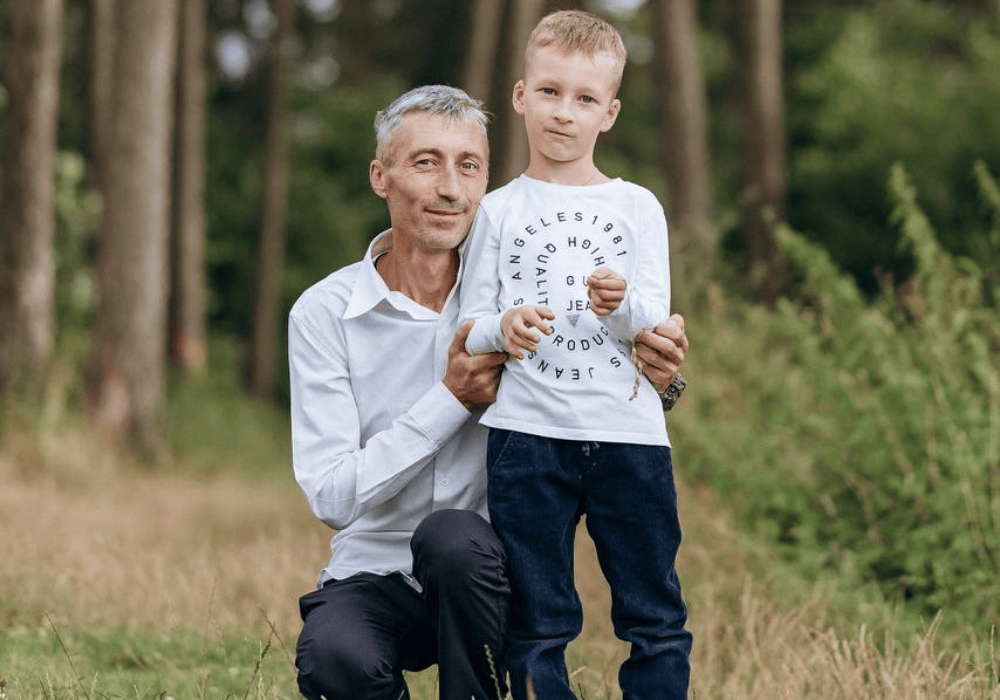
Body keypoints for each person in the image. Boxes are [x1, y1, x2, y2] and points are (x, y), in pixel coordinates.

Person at [289, 84, 689, 700]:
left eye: (468, 166)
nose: (451, 188)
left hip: (486, 576)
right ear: (380, 177)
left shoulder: (520, 291)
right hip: (374, 569)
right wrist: (451, 399)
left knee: (453, 538)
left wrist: (662, 379)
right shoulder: (323, 313)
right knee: (336, 658)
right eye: (426, 162)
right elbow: (333, 496)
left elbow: (595, 378)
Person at [459, 11, 693, 700]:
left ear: (610, 113)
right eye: (551, 92)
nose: (565, 114)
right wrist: (505, 325)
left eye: (585, 99)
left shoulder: (637, 207)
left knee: (654, 614)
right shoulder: (497, 211)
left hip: (630, 440)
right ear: (520, 95)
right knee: (535, 622)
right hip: (527, 442)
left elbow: (660, 323)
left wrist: (620, 303)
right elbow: (469, 327)